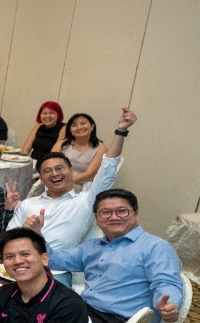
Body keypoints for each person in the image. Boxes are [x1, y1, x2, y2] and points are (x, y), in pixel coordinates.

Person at [29, 189, 183, 323]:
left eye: (122, 211)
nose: (114, 217)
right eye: (106, 212)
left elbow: (166, 283)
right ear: (96, 218)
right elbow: (53, 260)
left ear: (136, 213)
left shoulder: (155, 247)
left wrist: (170, 304)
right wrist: (36, 234)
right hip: (85, 313)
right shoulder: (92, 246)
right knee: (28, 317)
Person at [8, 107, 136, 259]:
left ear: (71, 171)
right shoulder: (28, 204)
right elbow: (8, 239)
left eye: (60, 168)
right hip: (16, 265)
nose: (55, 173)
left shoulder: (86, 201)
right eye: (48, 171)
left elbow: (107, 168)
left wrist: (120, 132)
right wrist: (26, 230)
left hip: (54, 270)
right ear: (40, 178)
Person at [50, 112, 105, 189]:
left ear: (92, 127)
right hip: (58, 180)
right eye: (74, 125)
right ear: (70, 131)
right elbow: (50, 164)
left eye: (83, 123)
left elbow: (89, 174)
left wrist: (65, 182)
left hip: (83, 185)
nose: (79, 127)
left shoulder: (101, 148)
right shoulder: (61, 144)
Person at [21, 101, 64, 165]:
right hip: (32, 162)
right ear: (40, 115)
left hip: (49, 164)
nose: (48, 116)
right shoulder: (38, 127)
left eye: (52, 113)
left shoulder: (63, 128)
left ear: (58, 115)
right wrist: (22, 163)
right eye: (44, 113)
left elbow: (55, 154)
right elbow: (26, 149)